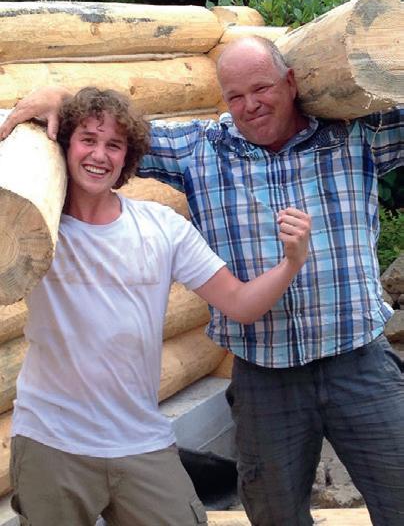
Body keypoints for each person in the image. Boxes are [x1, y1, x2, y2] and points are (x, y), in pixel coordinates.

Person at [1, 36, 403, 526]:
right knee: (275, 515)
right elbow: (112, 130)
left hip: (358, 361)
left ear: (292, 81)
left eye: (261, 88)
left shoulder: (355, 134)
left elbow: (109, 136)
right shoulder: (201, 148)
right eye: (235, 96)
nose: (250, 104)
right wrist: (58, 98)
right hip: (264, 375)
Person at [4, 85, 310, 526]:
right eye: (87, 139)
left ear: (128, 158)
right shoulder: (36, 227)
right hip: (52, 442)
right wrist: (50, 99)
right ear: (65, 145)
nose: (99, 155)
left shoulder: (162, 228)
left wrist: (290, 263)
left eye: (114, 145)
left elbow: (241, 304)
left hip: (140, 441)